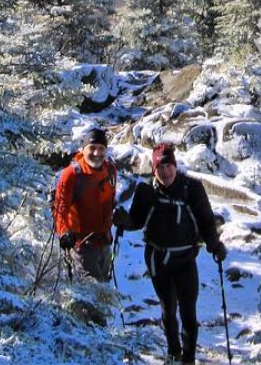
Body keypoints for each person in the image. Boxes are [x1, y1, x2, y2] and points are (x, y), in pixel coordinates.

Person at [116, 142, 226, 365]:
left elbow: (205, 220)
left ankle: (189, 358)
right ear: (154, 169)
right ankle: (173, 352)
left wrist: (215, 246)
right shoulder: (146, 191)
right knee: (168, 308)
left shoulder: (192, 188)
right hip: (158, 260)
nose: (165, 171)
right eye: (160, 167)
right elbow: (137, 220)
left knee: (188, 313)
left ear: (175, 165)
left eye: (168, 166)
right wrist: (123, 221)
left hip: (185, 259)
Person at [53, 126, 118, 281]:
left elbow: (110, 201)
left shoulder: (110, 170)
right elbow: (60, 208)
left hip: (104, 244)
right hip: (81, 247)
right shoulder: (71, 174)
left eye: (101, 148)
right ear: (83, 149)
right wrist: (63, 232)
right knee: (92, 296)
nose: (97, 153)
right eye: (92, 148)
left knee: (103, 293)